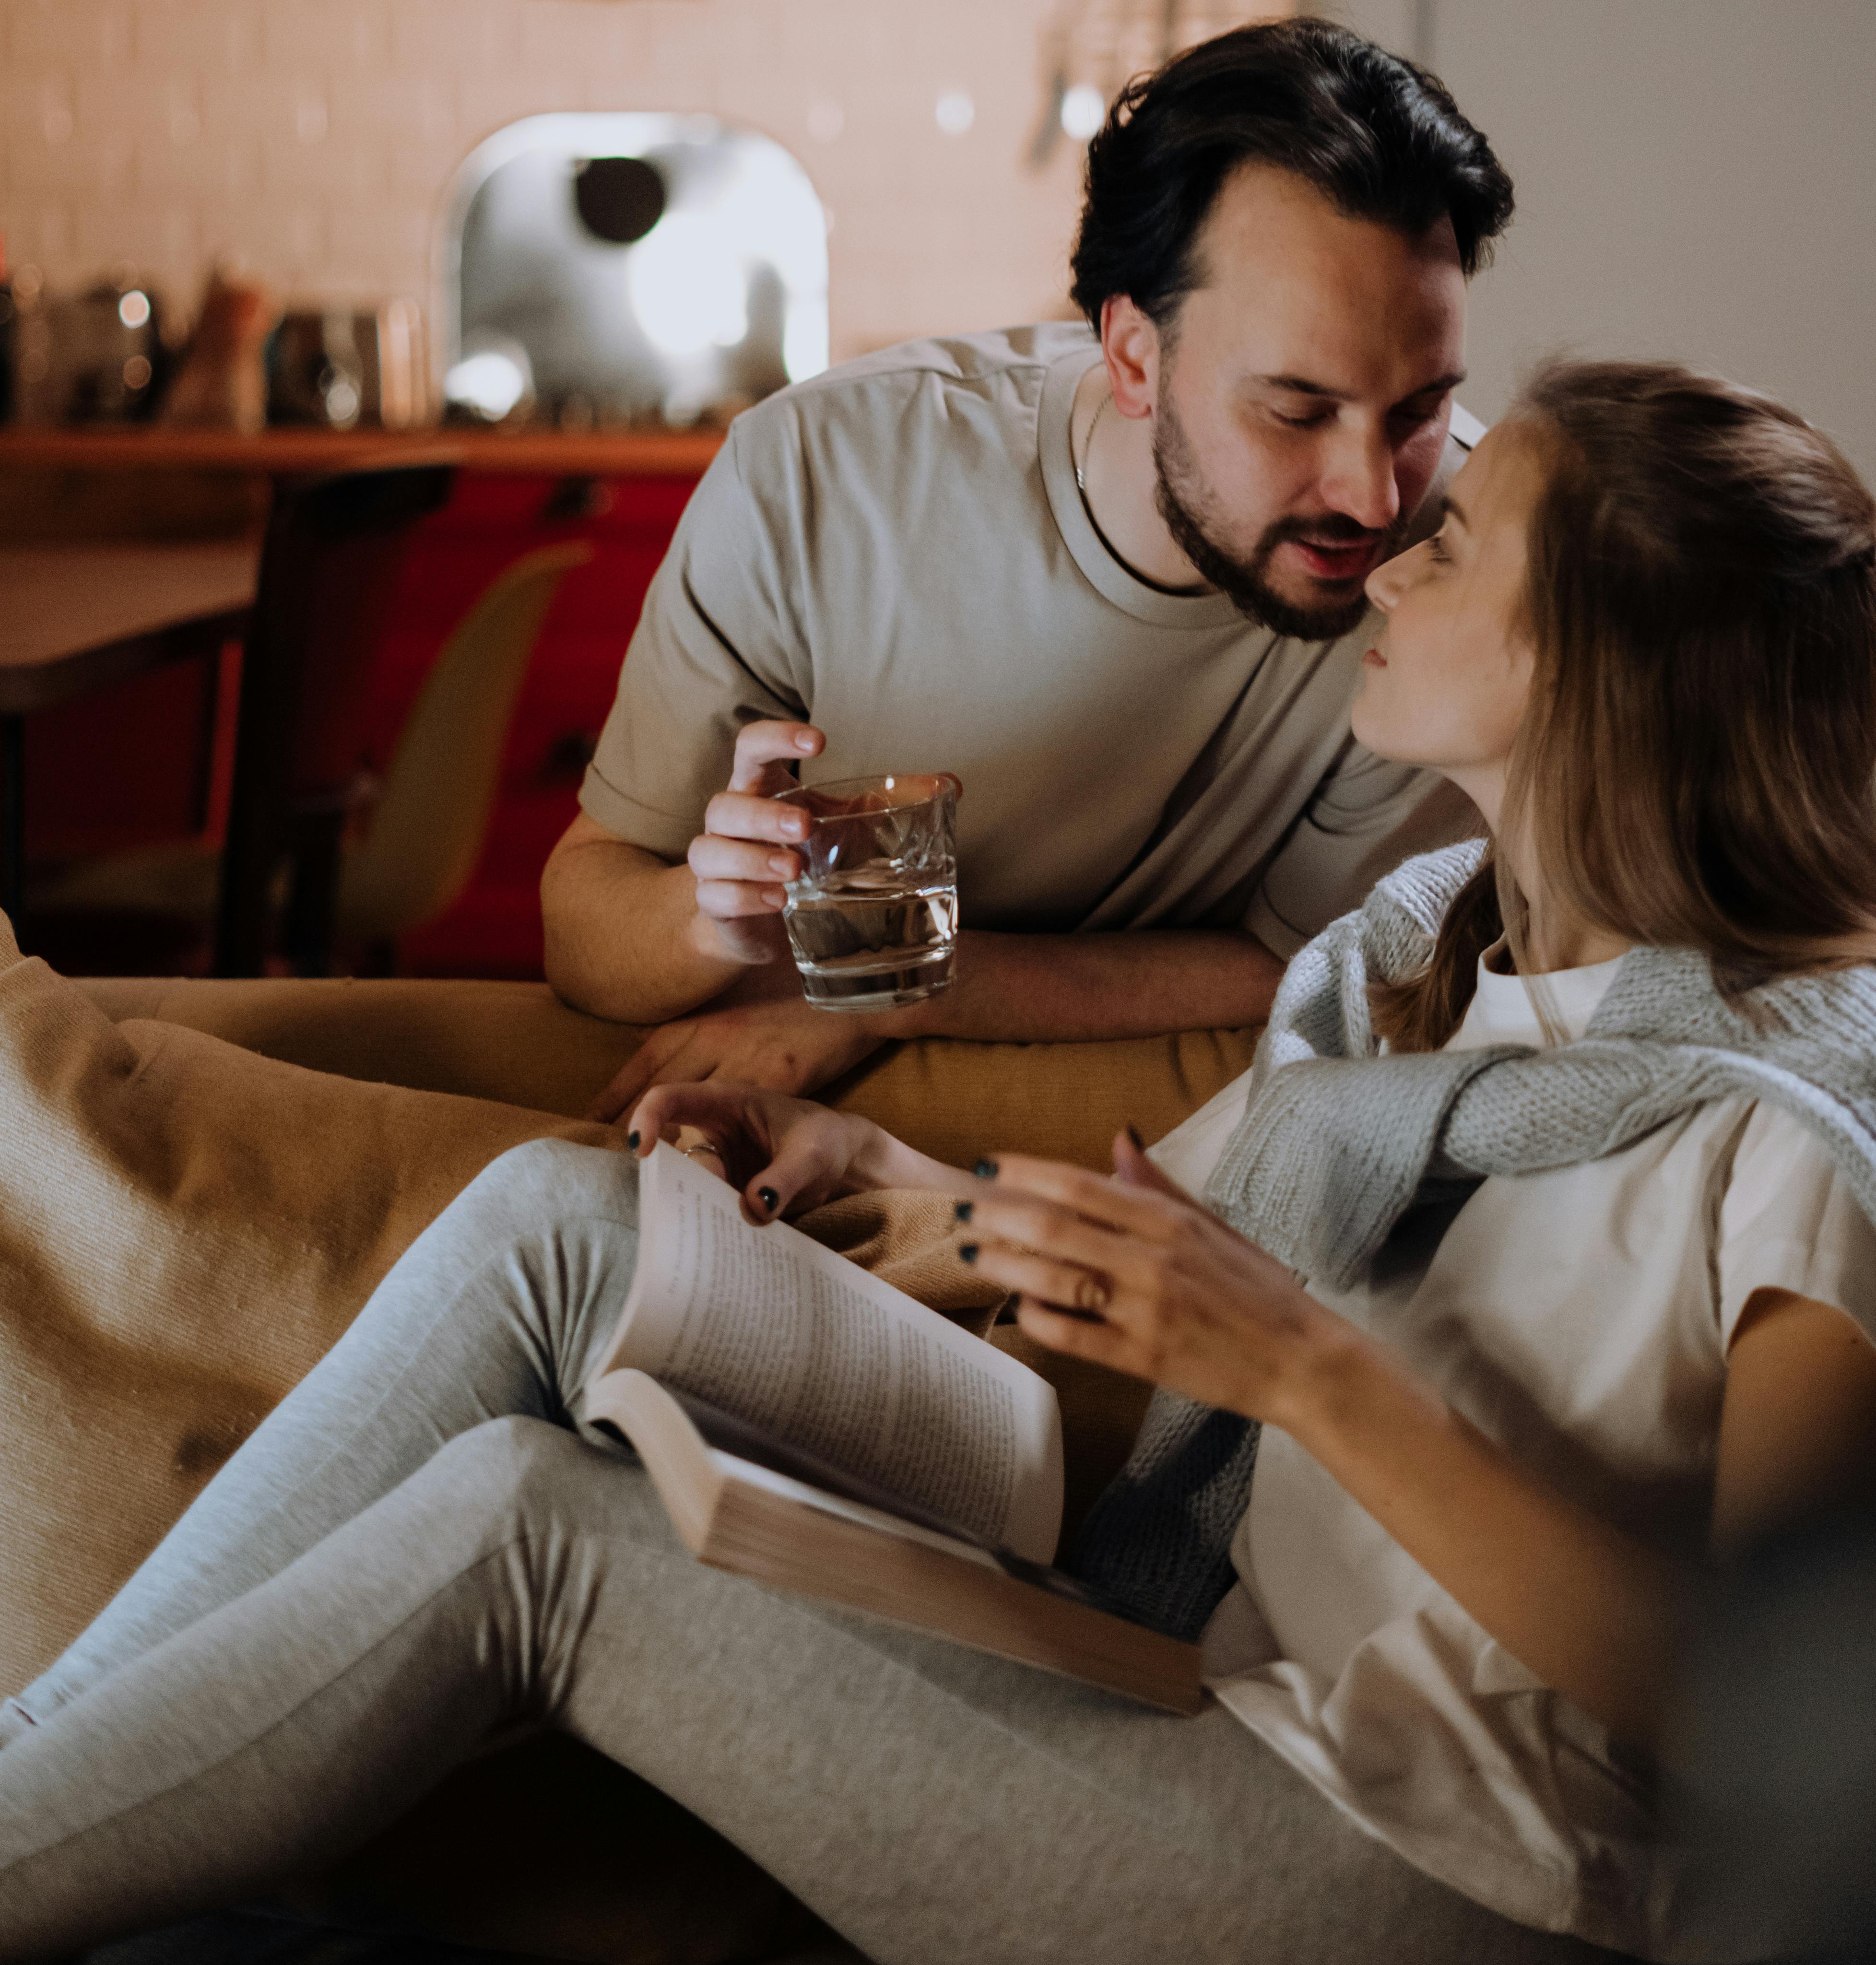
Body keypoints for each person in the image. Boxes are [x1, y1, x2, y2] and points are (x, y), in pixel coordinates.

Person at [10, 357, 1876, 1965]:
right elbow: (1158, 1239)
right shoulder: (1421, 957)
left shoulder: (1800, 1141)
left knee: (534, 1526)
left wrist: (1309, 1369)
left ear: (1607, 666)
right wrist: (860, 1150)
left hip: (1450, 1871)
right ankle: (38, 1771)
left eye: (1460, 537)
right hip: (1199, 1653)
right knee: (573, 1221)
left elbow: (1773, 1724)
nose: (1393, 546)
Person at [546, 18, 1513, 1119]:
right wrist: (706, 921)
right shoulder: (818, 475)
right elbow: (585, 921)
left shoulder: (1459, 552)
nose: (1376, 498)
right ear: (1134, 354)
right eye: (1299, 409)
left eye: (1421, 407)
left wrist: (893, 991)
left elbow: (1307, 957)